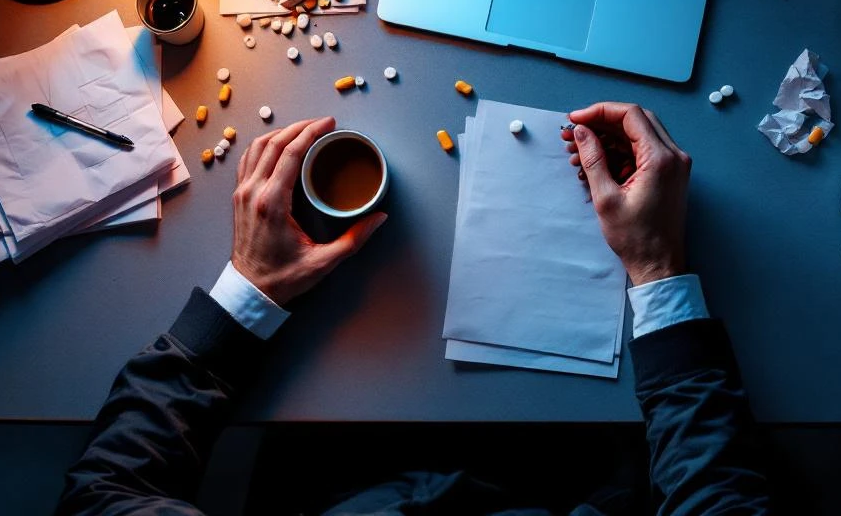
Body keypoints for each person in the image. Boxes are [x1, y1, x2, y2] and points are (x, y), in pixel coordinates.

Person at [56, 104, 771, 515]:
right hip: (563, 481)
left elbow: (103, 494)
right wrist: (657, 268)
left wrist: (250, 289)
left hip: (326, 481)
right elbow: (721, 499)